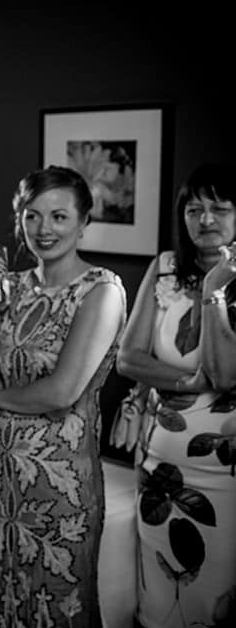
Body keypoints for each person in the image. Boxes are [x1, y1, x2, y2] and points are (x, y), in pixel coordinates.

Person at [0, 166, 126, 627]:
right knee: (0, 590)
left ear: (84, 221)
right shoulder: (7, 288)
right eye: (32, 217)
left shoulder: (101, 290)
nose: (43, 229)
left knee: (57, 600)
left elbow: (62, 391)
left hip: (59, 480)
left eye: (58, 216)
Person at [115, 163, 236, 628]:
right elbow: (128, 358)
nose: (205, 219)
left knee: (213, 600)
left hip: (224, 479)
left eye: (219, 208)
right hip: (159, 470)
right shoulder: (164, 267)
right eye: (194, 208)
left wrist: (212, 291)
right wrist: (186, 382)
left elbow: (225, 375)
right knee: (160, 598)